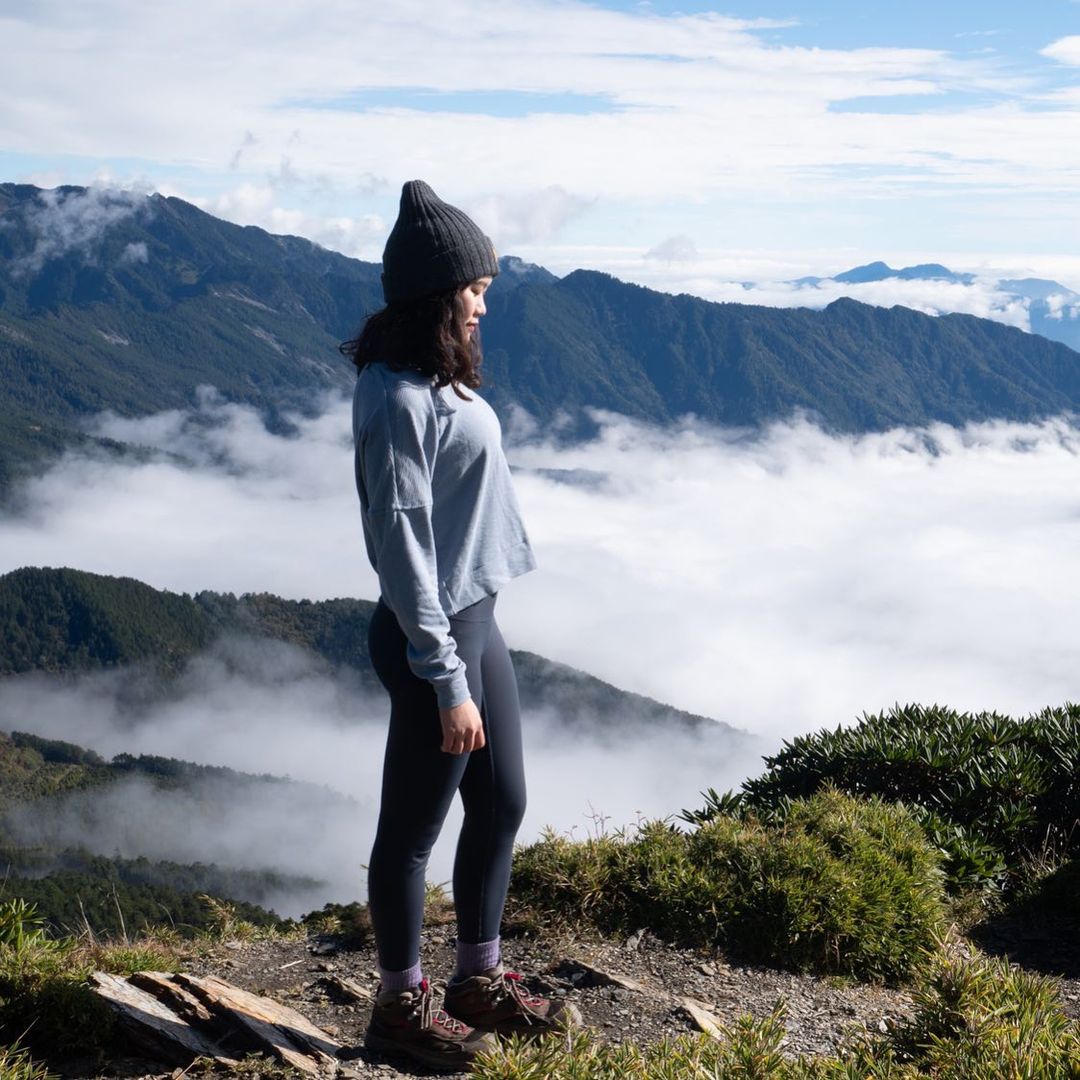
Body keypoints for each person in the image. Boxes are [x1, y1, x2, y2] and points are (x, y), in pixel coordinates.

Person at [344, 180, 579, 1072]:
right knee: (411, 833)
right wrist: (444, 679)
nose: (486, 301)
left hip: (476, 622)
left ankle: (478, 976)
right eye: (476, 287)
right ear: (442, 293)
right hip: (432, 640)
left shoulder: (430, 381)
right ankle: (398, 1008)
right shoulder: (399, 400)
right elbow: (401, 549)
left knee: (502, 800)